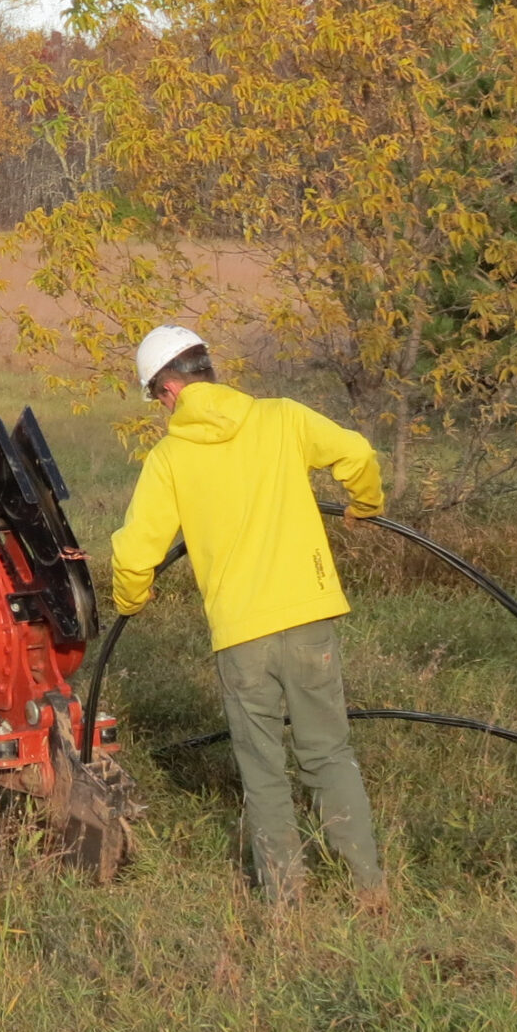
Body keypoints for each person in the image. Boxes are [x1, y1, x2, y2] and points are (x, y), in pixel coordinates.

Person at [107, 325, 388, 905]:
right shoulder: (282, 417)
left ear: (166, 392)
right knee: (328, 753)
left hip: (242, 639)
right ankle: (368, 889)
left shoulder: (170, 458)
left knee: (262, 771)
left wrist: (131, 599)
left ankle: (285, 905)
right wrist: (365, 503)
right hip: (311, 620)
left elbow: (134, 553)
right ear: (209, 370)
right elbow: (357, 453)